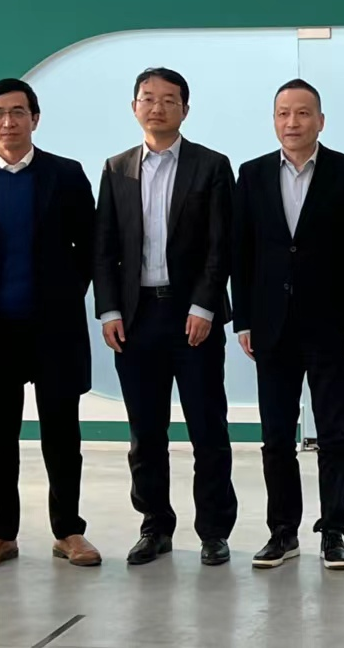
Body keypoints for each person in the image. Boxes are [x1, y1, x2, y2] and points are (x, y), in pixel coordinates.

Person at [0, 78, 101, 571]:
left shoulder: (65, 174)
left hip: (54, 329)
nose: (9, 121)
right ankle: (0, 534)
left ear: (35, 118)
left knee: (62, 434)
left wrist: (63, 295)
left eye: (18, 112)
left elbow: (89, 246)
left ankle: (69, 531)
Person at [93, 67, 238, 566]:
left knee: (208, 428)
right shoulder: (116, 169)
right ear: (135, 106)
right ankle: (155, 526)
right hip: (135, 318)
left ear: (185, 109)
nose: (157, 107)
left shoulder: (211, 165)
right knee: (145, 433)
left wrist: (204, 305)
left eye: (168, 99)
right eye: (148, 98)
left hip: (193, 315)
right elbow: (104, 247)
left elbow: (221, 244)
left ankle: (214, 531)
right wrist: (109, 309)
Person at [232, 79, 344, 571]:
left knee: (334, 434)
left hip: (331, 324)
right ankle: (282, 532)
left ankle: (333, 532)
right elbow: (241, 253)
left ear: (320, 120)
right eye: (283, 113)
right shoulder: (251, 175)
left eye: (303, 113)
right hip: (270, 326)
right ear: (274, 120)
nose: (292, 122)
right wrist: (244, 319)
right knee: (276, 436)